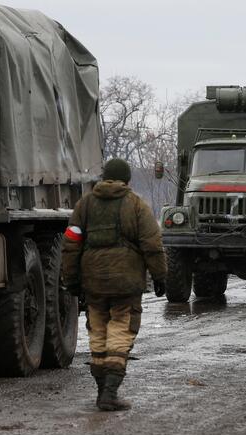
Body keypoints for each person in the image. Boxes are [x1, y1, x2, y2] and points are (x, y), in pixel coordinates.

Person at [62, 159, 167, 411]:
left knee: (97, 330)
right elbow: (152, 245)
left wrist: (72, 279)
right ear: (127, 180)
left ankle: (102, 391)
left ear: (103, 178)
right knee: (121, 329)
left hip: (93, 281)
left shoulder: (84, 205)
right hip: (126, 281)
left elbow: (71, 244)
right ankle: (109, 392)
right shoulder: (137, 205)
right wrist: (161, 276)